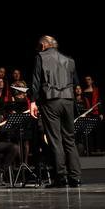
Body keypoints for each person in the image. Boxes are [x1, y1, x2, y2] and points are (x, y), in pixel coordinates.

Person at [30, 35, 81, 188]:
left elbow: (36, 80)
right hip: (68, 100)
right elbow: (75, 83)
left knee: (55, 139)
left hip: (51, 100)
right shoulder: (69, 59)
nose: (39, 49)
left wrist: (33, 101)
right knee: (69, 139)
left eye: (40, 46)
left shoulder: (41, 57)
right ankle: (75, 177)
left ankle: (61, 177)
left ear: (44, 45)